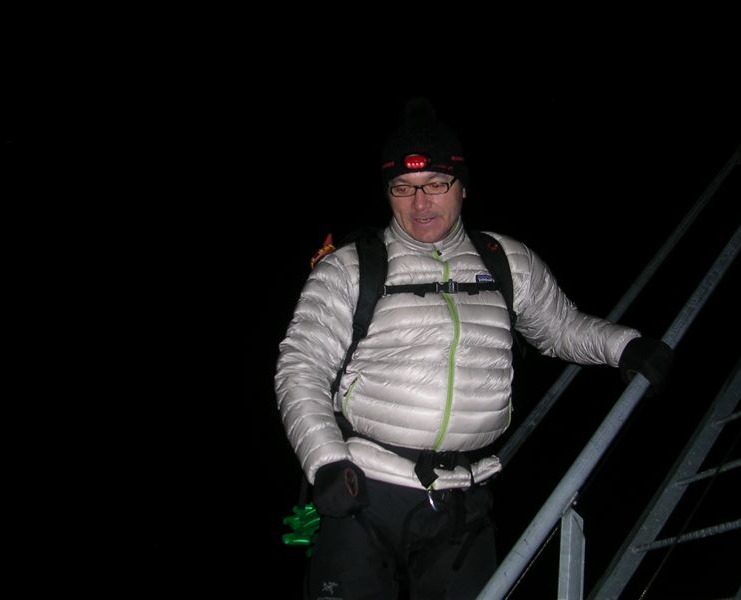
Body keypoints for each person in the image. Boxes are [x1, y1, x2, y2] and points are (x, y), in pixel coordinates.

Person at [274, 97, 673, 599]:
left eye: (436, 184)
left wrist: (627, 347)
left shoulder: (506, 261)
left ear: (463, 186)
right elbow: (301, 367)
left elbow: (561, 328)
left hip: (464, 498)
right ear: (388, 193)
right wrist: (326, 460)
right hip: (363, 490)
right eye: (404, 188)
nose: (421, 203)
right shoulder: (350, 267)